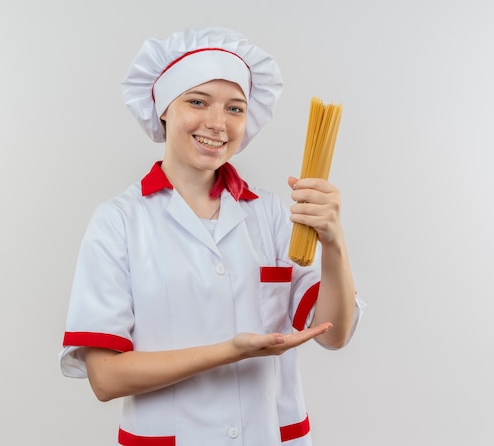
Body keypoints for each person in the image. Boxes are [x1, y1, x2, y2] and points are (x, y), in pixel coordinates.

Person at [61, 27, 365, 446]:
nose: (218, 124)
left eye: (235, 108)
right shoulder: (118, 222)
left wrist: (334, 240)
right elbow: (106, 378)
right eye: (198, 101)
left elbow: (333, 334)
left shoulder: (273, 213)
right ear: (164, 107)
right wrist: (232, 350)